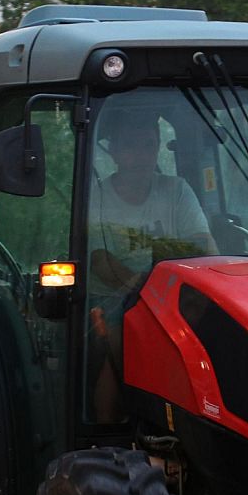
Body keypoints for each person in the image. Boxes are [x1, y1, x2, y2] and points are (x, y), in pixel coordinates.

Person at [86, 107, 217, 420]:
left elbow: (200, 244)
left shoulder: (176, 191)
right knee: (117, 340)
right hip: (113, 297)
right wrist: (145, 291)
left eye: (148, 145)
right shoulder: (98, 197)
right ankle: (111, 433)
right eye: (130, 146)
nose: (141, 155)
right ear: (114, 151)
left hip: (170, 296)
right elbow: (100, 261)